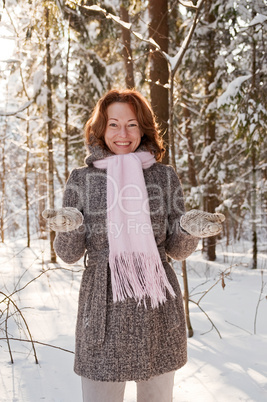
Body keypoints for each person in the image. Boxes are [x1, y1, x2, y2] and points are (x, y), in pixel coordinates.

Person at [42, 89, 225, 402]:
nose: (122, 134)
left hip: (155, 305)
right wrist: (70, 228)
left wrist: (188, 229)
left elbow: (175, 250)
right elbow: (70, 255)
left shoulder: (164, 177)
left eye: (131, 125)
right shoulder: (81, 179)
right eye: (113, 124)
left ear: (144, 129)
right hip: (103, 305)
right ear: (101, 129)